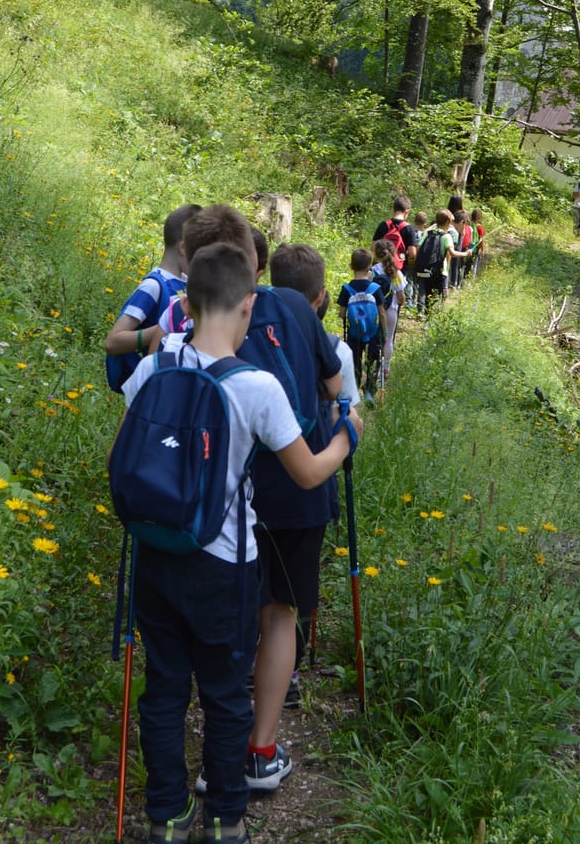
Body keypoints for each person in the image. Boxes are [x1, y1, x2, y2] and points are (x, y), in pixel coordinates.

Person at [118, 241, 356, 844]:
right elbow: (306, 472)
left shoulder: (154, 367)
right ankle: (227, 819)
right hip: (224, 565)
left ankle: (167, 815)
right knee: (225, 694)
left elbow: (125, 455)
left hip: (155, 556)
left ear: (187, 302)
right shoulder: (255, 387)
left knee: (165, 687)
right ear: (249, 305)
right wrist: (346, 437)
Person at [154, 206, 344, 793]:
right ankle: (256, 752)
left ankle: (189, 776)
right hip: (293, 485)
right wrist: (347, 430)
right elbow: (335, 387)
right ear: (254, 261)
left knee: (221, 634)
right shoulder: (289, 304)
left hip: (209, 504)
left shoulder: (174, 344)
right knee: (280, 614)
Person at [266, 244, 363, 708]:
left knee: (259, 581)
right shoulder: (335, 349)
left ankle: (251, 663)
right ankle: (289, 671)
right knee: (296, 591)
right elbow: (344, 401)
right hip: (310, 476)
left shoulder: (248, 328)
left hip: (253, 482)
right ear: (322, 296)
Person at [104, 203, 201, 388]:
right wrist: (163, 329)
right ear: (183, 248)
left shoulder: (187, 282)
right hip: (149, 385)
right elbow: (112, 342)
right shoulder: (153, 286)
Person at [337, 247, 387, 401]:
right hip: (373, 333)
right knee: (373, 359)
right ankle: (369, 390)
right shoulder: (375, 289)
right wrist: (384, 332)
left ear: (351, 266)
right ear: (369, 267)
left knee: (355, 361)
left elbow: (342, 313)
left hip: (353, 334)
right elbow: (382, 313)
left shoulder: (347, 289)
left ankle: (355, 387)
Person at [416, 210, 469, 315]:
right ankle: (429, 320)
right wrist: (466, 254)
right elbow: (452, 253)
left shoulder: (427, 234)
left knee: (425, 292)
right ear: (447, 223)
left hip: (424, 268)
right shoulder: (446, 236)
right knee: (435, 297)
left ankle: (421, 312)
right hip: (439, 271)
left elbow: (418, 248)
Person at [371, 237, 406, 384]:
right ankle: (385, 369)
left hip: (374, 311)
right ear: (393, 253)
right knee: (388, 339)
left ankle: (372, 366)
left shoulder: (372, 271)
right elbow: (401, 297)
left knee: (374, 339)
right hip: (390, 310)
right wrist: (400, 304)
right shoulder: (395, 273)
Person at [372, 196, 420, 273]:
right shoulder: (409, 228)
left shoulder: (383, 225)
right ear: (407, 211)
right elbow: (412, 254)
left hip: (381, 268)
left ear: (393, 209)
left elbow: (373, 247)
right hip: (398, 269)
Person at [469, 208, 486, 278]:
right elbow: (481, 240)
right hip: (475, 249)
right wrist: (482, 250)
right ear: (480, 218)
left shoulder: (469, 225)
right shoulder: (480, 228)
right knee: (474, 265)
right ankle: (472, 278)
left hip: (468, 248)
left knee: (467, 264)